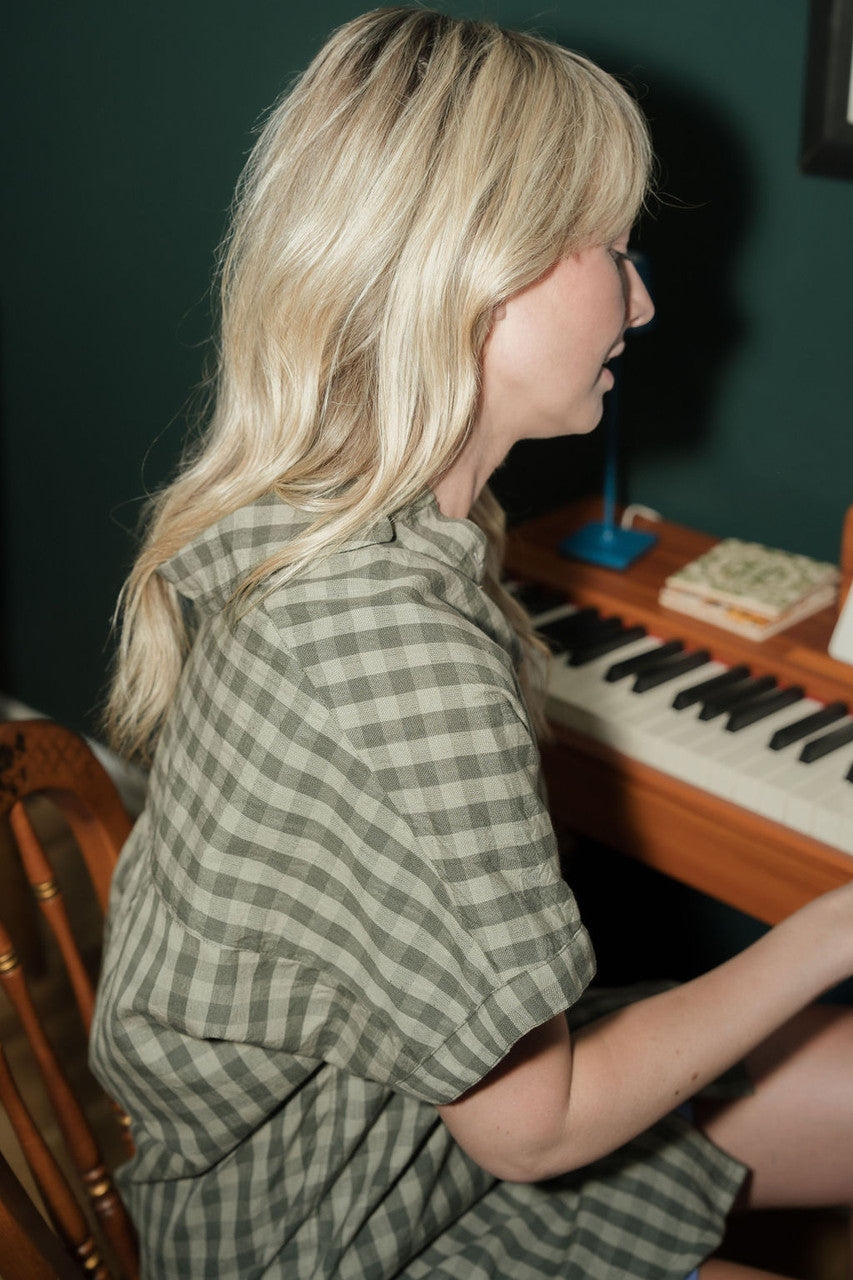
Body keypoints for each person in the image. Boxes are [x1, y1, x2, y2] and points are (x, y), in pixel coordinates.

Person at [91, 9, 853, 1279]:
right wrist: (835, 927)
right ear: (471, 272)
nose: (644, 298)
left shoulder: (331, 515)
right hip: (326, 1232)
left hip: (409, 1117)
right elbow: (537, 1125)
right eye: (611, 248)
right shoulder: (394, 649)